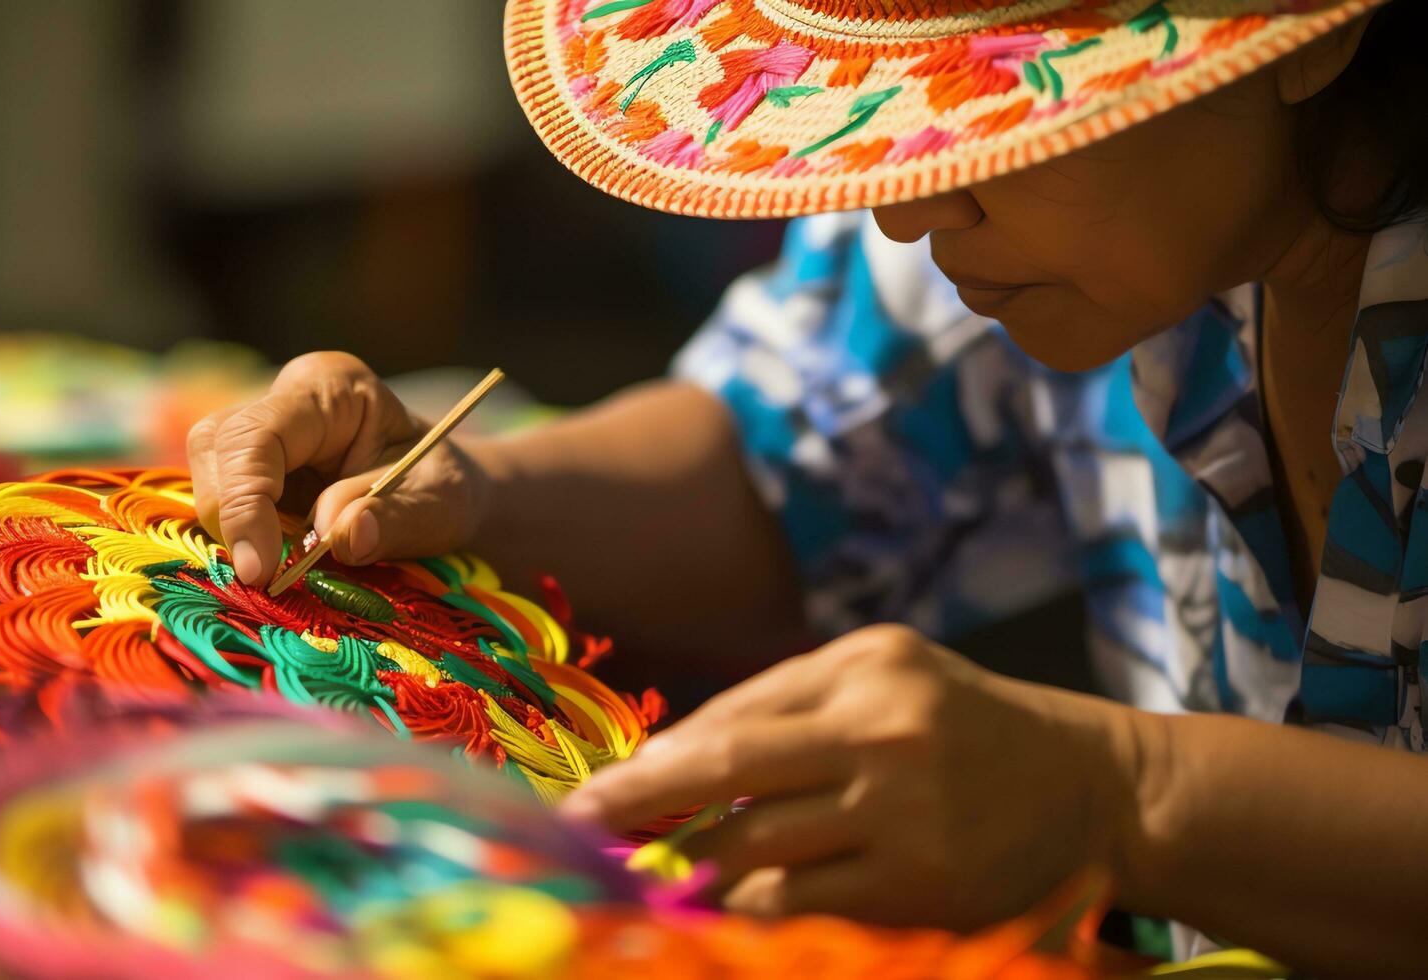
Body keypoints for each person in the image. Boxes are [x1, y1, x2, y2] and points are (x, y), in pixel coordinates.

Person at [190, 0, 1428, 972]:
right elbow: (780, 451)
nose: (906, 214)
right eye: (891, 115)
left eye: (1001, 104)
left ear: (1290, 35)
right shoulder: (1076, 218)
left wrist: (1125, 797)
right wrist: (466, 490)